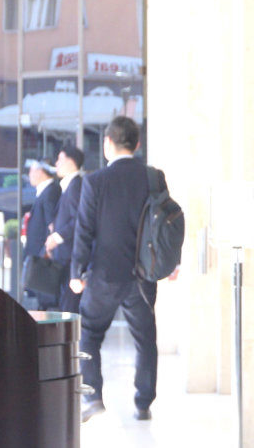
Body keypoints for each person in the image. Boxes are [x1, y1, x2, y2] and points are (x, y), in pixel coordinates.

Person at [71, 116, 158, 423]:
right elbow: (163, 225)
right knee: (145, 339)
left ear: (107, 143)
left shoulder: (95, 181)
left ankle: (93, 396)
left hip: (104, 275)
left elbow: (84, 231)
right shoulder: (153, 178)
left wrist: (76, 272)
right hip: (142, 276)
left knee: (89, 333)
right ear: (137, 144)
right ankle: (143, 403)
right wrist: (168, 263)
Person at [45, 145, 85, 313]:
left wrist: (57, 237)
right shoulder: (68, 186)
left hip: (71, 258)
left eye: (60, 159)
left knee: (69, 309)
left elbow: (79, 220)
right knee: (66, 307)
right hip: (65, 257)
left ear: (71, 161)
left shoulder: (76, 186)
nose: (57, 163)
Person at [22, 158, 61, 310]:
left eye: (32, 170)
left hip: (43, 258)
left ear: (41, 172)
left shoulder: (50, 192)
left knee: (45, 302)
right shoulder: (45, 191)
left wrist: (47, 250)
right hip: (38, 256)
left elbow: (52, 224)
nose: (29, 174)